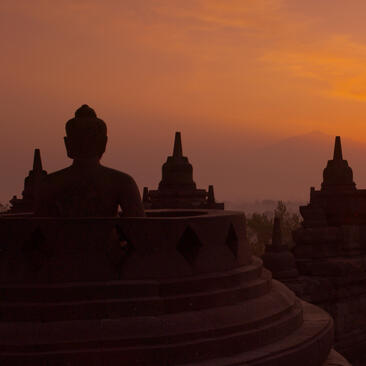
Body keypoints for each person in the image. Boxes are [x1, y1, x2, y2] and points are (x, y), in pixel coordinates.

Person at [35, 105, 145, 217]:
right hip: (105, 234)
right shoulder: (123, 182)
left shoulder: (50, 183)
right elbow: (139, 229)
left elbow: (39, 228)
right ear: (104, 144)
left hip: (64, 235)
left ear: (67, 144)